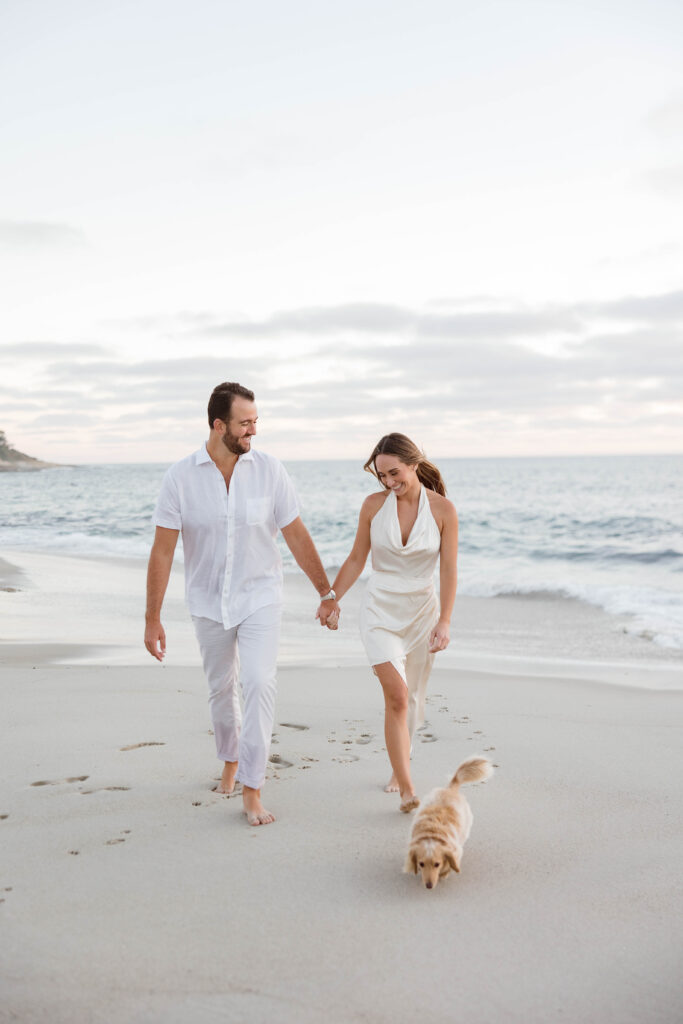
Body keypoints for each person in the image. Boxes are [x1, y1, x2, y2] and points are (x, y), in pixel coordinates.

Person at [145, 382, 340, 826]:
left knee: (258, 682)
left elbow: (294, 532)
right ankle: (230, 759)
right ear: (219, 425)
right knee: (221, 689)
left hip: (260, 597)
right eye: (245, 423)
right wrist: (152, 617)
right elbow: (162, 550)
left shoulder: (270, 470)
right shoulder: (180, 477)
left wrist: (325, 593)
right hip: (208, 601)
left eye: (256, 421)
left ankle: (253, 787)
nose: (254, 429)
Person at [317, 433, 458, 812]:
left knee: (412, 697)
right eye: (381, 476)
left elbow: (449, 571)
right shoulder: (372, 506)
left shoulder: (443, 510)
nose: (389, 482)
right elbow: (356, 559)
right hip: (380, 610)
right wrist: (331, 598)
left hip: (421, 613)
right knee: (395, 696)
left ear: (414, 463)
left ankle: (399, 765)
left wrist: (444, 621)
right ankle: (409, 789)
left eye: (394, 473)